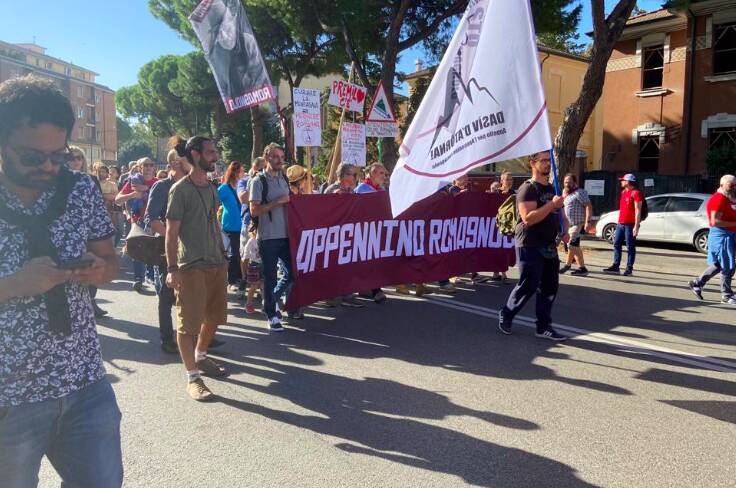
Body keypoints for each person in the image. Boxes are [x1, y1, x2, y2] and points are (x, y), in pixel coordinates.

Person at [0, 75, 122, 487]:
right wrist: (14, 283)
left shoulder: (80, 189)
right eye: (33, 157)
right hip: (8, 398)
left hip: (84, 381)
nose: (49, 167)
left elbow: (110, 260)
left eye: (59, 154)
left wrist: (100, 269)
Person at [166, 135, 229, 401]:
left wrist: (224, 254)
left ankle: (201, 356)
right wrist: (172, 268)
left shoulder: (213, 188)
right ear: (194, 154)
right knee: (188, 325)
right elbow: (171, 232)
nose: (215, 157)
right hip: (191, 266)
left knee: (214, 318)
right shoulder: (180, 189)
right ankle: (193, 378)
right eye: (210, 152)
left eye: (215, 152)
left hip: (216, 262)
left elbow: (213, 223)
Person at [498, 151, 568, 341]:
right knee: (529, 284)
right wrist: (551, 206)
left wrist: (565, 228)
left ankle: (543, 326)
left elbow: (558, 213)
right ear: (532, 163)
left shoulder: (552, 188)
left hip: (548, 244)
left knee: (550, 286)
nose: (547, 164)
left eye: (548, 160)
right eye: (543, 161)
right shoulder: (527, 189)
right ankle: (507, 313)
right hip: (529, 243)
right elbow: (528, 218)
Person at [144, 149, 192, 353]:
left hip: (191, 249)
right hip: (167, 248)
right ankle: (167, 338)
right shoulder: (162, 186)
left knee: (192, 292)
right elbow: (151, 218)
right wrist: (171, 238)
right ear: (174, 163)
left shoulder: (192, 185)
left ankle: (195, 334)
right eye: (185, 160)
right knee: (166, 294)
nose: (190, 163)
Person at [250, 143, 300, 331]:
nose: (280, 160)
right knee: (270, 277)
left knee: (293, 273)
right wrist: (278, 201)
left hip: (288, 235)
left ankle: (270, 300)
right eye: (276, 156)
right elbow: (254, 211)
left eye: (281, 156)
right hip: (269, 236)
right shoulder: (258, 181)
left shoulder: (284, 179)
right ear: (267, 158)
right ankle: (271, 314)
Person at [334, 163, 387, 303]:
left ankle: (369, 288)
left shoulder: (381, 189)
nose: (384, 177)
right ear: (374, 173)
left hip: (374, 230)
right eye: (381, 173)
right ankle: (373, 290)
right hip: (359, 231)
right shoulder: (361, 189)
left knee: (373, 260)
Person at [688, 175, 736, 305]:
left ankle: (697, 283)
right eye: (731, 186)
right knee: (728, 266)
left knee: (720, 264)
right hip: (721, 237)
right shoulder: (718, 199)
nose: (734, 188)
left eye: (735, 185)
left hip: (730, 236)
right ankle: (726, 295)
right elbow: (715, 221)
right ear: (722, 185)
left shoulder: (729, 198)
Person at [115, 157, 158, 292]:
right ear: (139, 168)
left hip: (154, 220)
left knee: (153, 250)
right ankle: (138, 279)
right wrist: (133, 194)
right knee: (137, 250)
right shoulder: (133, 182)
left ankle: (151, 276)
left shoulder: (158, 183)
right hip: (137, 220)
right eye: (145, 165)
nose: (148, 167)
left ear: (154, 168)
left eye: (151, 165)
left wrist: (147, 187)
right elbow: (117, 200)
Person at [603, 174, 643, 276]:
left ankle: (629, 268)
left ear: (628, 182)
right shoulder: (623, 192)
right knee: (616, 244)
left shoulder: (636, 193)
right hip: (620, 223)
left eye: (623, 180)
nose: (621, 182)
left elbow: (638, 210)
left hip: (630, 225)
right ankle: (616, 266)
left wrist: (636, 226)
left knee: (630, 247)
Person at [237, 157, 265, 296]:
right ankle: (244, 280)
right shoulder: (244, 181)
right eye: (260, 169)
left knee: (261, 255)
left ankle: (259, 283)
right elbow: (242, 198)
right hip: (248, 223)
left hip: (264, 223)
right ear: (254, 168)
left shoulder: (267, 181)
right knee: (246, 254)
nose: (263, 172)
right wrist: (253, 182)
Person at [559, 173, 592, 276]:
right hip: (568, 225)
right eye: (565, 182)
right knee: (574, 246)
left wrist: (588, 221)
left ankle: (567, 265)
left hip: (578, 223)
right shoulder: (565, 193)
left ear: (574, 182)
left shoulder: (580, 192)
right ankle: (582, 268)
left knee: (572, 244)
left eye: (569, 182)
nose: (567, 184)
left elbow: (588, 206)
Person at [218, 161, 244, 287]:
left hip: (243, 224)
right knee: (234, 253)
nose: (243, 173)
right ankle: (233, 279)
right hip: (230, 225)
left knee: (241, 252)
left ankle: (238, 277)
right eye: (241, 171)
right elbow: (214, 202)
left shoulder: (242, 186)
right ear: (234, 172)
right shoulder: (224, 188)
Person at [242, 226, 263, 314]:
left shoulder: (264, 240)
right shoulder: (251, 241)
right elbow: (246, 255)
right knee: (254, 286)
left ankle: (265, 305)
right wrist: (244, 270)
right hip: (254, 265)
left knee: (264, 286)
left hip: (263, 265)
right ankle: (249, 304)